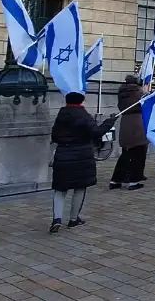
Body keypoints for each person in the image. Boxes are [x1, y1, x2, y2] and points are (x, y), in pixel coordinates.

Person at [50, 92, 117, 233]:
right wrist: (109, 122)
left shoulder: (61, 115)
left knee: (60, 189)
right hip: (81, 155)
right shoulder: (83, 115)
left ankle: (57, 219)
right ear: (81, 102)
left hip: (63, 154)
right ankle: (74, 219)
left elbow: (54, 136)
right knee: (80, 187)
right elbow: (96, 132)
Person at [109, 75, 148, 191]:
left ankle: (115, 180)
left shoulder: (122, 93)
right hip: (137, 126)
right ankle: (133, 181)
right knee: (138, 154)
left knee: (126, 155)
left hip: (126, 125)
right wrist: (146, 92)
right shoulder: (138, 93)